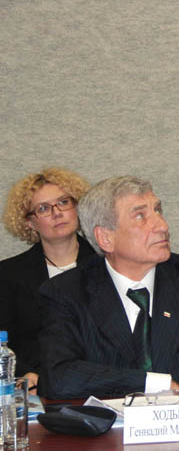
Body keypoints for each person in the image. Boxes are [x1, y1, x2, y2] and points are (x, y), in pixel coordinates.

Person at [37, 176, 179, 401]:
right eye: (140, 216)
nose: (162, 226)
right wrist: (151, 383)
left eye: (157, 211)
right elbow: (57, 377)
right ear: (106, 238)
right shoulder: (65, 292)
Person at [0, 168, 96, 392]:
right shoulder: (8, 274)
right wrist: (23, 374)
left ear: (77, 208)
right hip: (36, 386)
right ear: (29, 222)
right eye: (43, 208)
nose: (57, 213)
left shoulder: (108, 265)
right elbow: (3, 341)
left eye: (64, 202)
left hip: (99, 386)